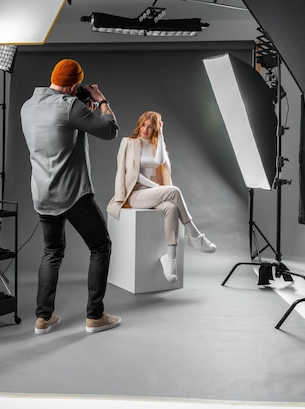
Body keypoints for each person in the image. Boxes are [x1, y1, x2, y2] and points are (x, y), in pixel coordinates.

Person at [20, 58, 122, 335]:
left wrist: (80, 113)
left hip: (42, 194)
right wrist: (101, 102)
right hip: (73, 194)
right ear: (75, 84)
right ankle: (95, 316)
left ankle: (42, 319)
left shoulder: (28, 107)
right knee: (100, 246)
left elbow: (59, 136)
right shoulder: (70, 107)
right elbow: (110, 130)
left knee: (51, 252)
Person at [107, 111, 216, 284]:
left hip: (154, 193)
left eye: (151, 127)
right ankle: (194, 235)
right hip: (134, 193)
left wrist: (162, 135)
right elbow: (127, 172)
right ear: (139, 124)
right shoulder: (128, 142)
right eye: (143, 125)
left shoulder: (156, 145)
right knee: (174, 191)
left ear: (155, 129)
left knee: (171, 208)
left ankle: (170, 259)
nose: (145, 129)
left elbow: (159, 161)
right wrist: (154, 189)